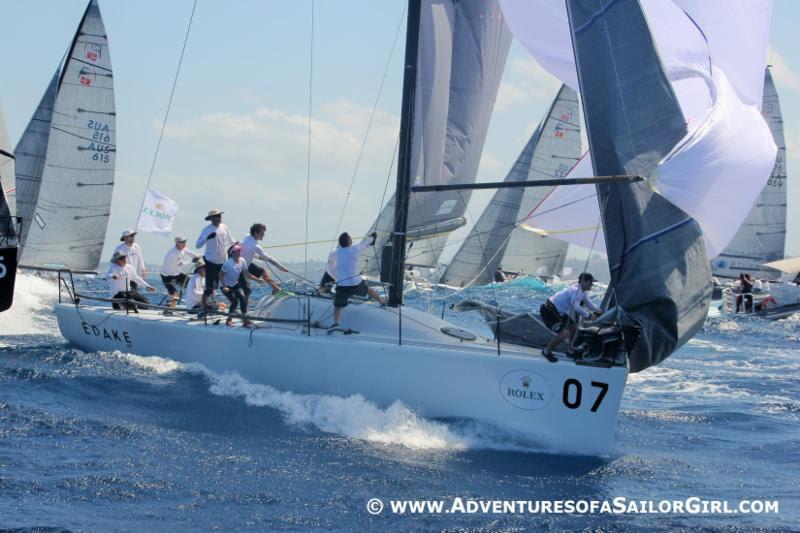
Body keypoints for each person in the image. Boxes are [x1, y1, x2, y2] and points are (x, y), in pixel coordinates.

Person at [539, 272, 601, 362]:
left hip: (559, 311)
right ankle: (546, 351)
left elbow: (589, 304)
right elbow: (576, 307)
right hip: (548, 310)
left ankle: (570, 351)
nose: (592, 284)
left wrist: (599, 311)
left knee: (573, 327)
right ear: (583, 281)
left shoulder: (583, 292)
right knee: (564, 333)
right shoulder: (575, 290)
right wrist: (590, 315)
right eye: (590, 282)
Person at [329, 232, 384, 330]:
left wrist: (337, 276)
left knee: (337, 306)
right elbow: (364, 244)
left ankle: (336, 323)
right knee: (368, 290)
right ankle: (382, 302)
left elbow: (331, 264)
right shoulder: (354, 249)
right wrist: (373, 237)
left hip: (342, 285)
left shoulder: (337, 252)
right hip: (355, 283)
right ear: (349, 241)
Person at [195, 208, 235, 311]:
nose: (218, 218)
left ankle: (234, 306)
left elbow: (231, 241)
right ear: (211, 219)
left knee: (226, 285)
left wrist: (238, 246)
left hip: (223, 262)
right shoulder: (206, 230)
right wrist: (207, 238)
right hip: (211, 263)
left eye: (219, 216)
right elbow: (198, 245)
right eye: (216, 217)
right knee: (209, 289)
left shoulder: (224, 227)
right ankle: (203, 309)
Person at [241, 223, 287, 293]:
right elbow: (268, 258)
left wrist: (259, 257)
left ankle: (276, 289)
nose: (264, 235)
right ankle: (278, 291)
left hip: (244, 263)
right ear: (256, 233)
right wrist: (281, 267)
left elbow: (248, 251)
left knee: (263, 272)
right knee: (246, 290)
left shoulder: (247, 236)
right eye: (262, 234)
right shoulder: (255, 246)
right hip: (241, 268)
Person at [220, 243, 257, 327]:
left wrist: (257, 280)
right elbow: (221, 275)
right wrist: (225, 286)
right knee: (235, 302)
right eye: (238, 250)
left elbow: (247, 274)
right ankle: (229, 319)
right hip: (225, 285)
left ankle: (245, 320)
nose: (240, 251)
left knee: (243, 299)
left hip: (234, 284)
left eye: (240, 250)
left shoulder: (242, 260)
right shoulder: (228, 263)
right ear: (232, 253)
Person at [160, 236, 199, 307]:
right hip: (167, 276)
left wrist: (205, 256)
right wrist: (192, 261)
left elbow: (194, 255)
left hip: (177, 274)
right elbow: (182, 265)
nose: (184, 243)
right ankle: (170, 308)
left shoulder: (184, 249)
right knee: (175, 294)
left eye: (185, 242)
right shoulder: (173, 254)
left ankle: (196, 304)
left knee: (193, 285)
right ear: (177, 243)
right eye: (182, 242)